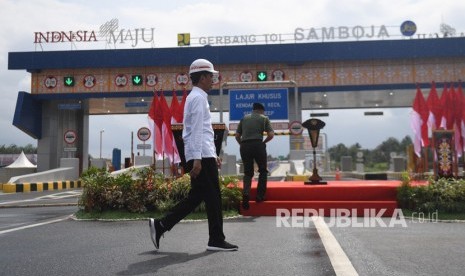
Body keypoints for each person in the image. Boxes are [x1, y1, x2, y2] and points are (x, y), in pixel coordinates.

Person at [149, 59, 238, 252]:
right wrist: (198, 158)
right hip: (201, 157)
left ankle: (162, 225)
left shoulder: (196, 97)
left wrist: (212, 155)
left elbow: (201, 132)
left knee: (197, 197)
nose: (213, 80)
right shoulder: (198, 99)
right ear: (203, 77)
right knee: (213, 197)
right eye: (211, 77)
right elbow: (196, 130)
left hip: (203, 154)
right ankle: (215, 239)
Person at [235, 103, 274, 210]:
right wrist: (263, 142)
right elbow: (271, 135)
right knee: (262, 170)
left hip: (245, 146)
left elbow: (237, 136)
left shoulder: (244, 118)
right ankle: (260, 196)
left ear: (253, 110)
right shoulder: (264, 118)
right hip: (258, 145)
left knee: (248, 172)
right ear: (261, 110)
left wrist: (242, 144)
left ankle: (246, 194)